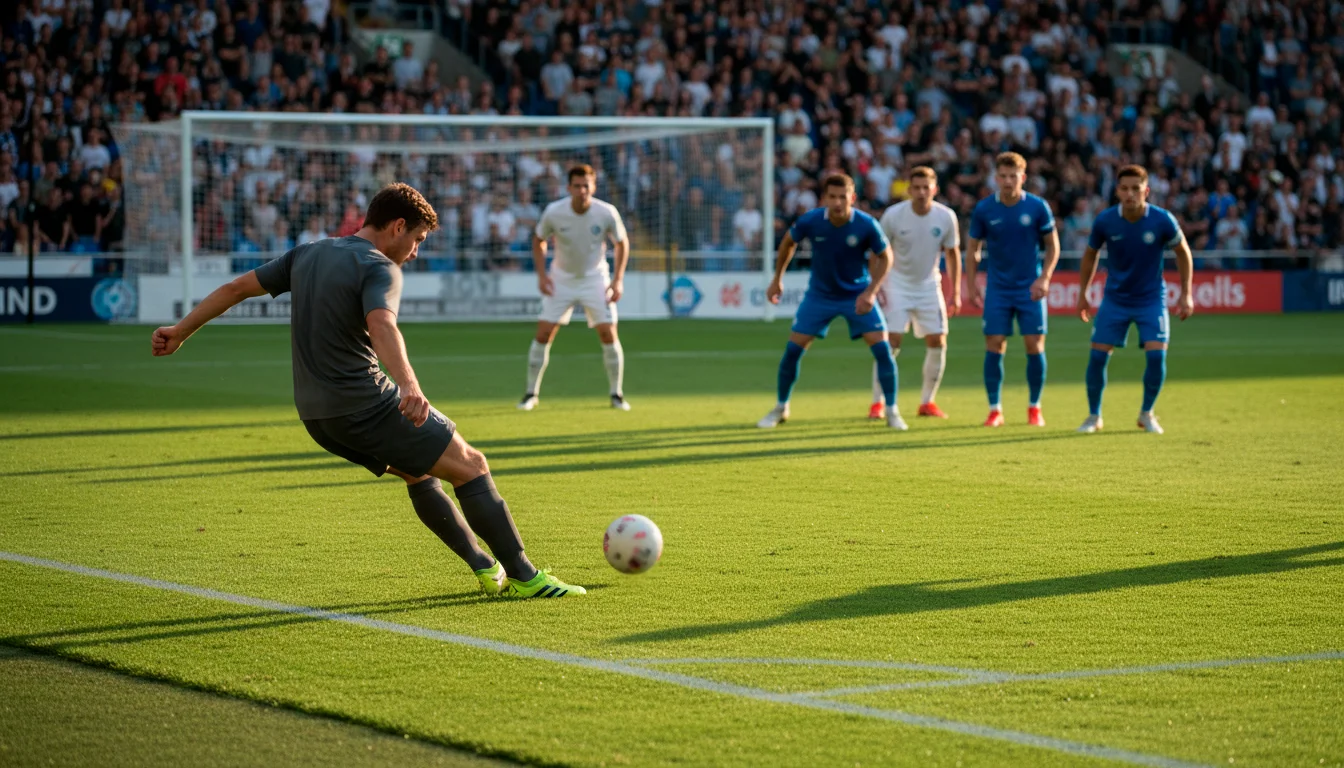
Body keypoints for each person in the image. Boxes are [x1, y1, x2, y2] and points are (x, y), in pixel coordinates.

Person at [151, 183, 584, 599]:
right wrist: (409, 385)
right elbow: (382, 324)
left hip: (317, 417)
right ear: (397, 226)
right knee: (471, 465)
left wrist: (180, 331)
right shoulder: (380, 266)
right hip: (366, 405)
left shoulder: (306, 253)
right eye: (417, 240)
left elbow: (235, 289)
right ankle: (526, 576)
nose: (415, 252)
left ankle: (486, 567)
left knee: (419, 472)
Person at [757, 173, 903, 430]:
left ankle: (892, 411)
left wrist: (871, 291)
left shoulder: (866, 224)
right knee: (793, 350)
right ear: (824, 198)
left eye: (843, 197)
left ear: (852, 198)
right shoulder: (812, 220)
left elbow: (886, 256)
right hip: (820, 295)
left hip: (856, 294)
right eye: (832, 197)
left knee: (883, 349)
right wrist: (777, 279)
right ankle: (781, 407)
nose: (837, 202)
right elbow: (789, 242)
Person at [1076, 165, 1194, 435]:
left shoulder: (1162, 220)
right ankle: (1094, 416)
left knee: (1156, 357)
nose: (1130, 194)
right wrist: (1083, 293)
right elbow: (1090, 254)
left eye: (1136, 189)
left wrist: (1186, 293)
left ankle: (1147, 413)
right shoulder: (1106, 220)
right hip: (1115, 299)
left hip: (1151, 300)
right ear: (1117, 191)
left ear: (1146, 191)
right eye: (1125, 189)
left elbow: (1183, 252)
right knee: (1097, 357)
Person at [519, 164, 631, 411]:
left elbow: (622, 243)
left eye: (586, 186)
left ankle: (617, 394)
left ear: (594, 187)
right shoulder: (554, 212)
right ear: (568, 188)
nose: (582, 191)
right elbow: (538, 240)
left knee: (608, 333)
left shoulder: (606, 212)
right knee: (544, 333)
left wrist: (618, 280)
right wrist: (542, 275)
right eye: (577, 186)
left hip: (595, 279)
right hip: (562, 279)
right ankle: (530, 393)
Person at [964, 152, 1060, 427]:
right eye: (1003, 176)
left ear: (1023, 177)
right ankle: (995, 409)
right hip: (998, 289)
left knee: (1034, 345)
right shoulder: (984, 209)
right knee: (995, 344)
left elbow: (1053, 246)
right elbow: (973, 249)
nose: (1008, 181)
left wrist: (1045, 278)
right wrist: (971, 285)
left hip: (1030, 287)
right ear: (996, 178)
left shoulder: (1037, 207)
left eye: (1013, 176)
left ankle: (1034, 407)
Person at [870, 166, 961, 420]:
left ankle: (927, 402)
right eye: (917, 188)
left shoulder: (946, 216)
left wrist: (955, 292)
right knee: (891, 343)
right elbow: (877, 251)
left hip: (929, 285)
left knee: (938, 341)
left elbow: (952, 253)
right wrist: (875, 286)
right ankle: (878, 403)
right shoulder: (893, 215)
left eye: (926, 188)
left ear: (935, 189)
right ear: (909, 190)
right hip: (896, 284)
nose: (921, 192)